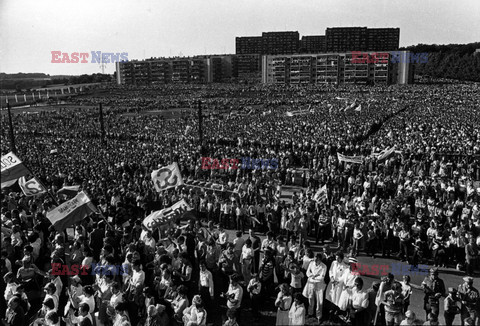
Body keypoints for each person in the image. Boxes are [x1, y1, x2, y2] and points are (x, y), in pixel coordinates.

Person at [302, 253, 327, 322]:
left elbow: (322, 277)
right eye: (315, 259)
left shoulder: (324, 266)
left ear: (320, 259)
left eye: (317, 259)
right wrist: (313, 276)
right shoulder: (311, 263)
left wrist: (314, 277)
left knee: (319, 302)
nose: (315, 261)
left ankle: (319, 316)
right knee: (310, 299)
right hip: (311, 284)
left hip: (319, 285)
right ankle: (310, 313)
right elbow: (307, 272)